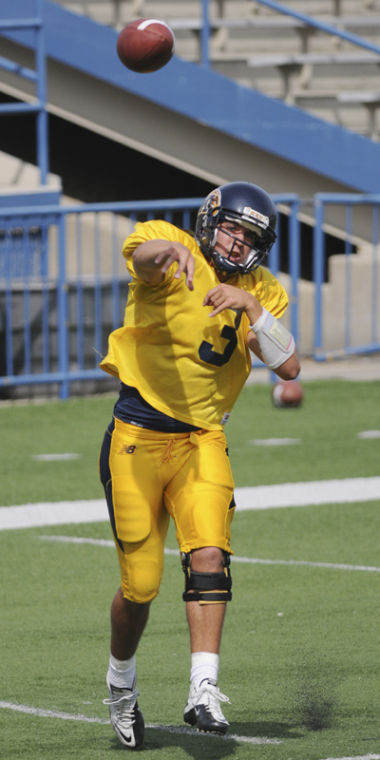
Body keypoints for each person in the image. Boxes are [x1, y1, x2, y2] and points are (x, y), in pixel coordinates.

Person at [99, 181, 300, 749]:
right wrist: (167, 255)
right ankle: (120, 683)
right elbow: (140, 256)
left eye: (250, 236)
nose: (238, 243)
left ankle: (203, 689)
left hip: (202, 439)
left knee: (210, 554)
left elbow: (289, 367)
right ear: (211, 222)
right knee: (140, 587)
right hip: (137, 436)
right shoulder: (170, 242)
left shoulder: (265, 289)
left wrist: (254, 310)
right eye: (233, 228)